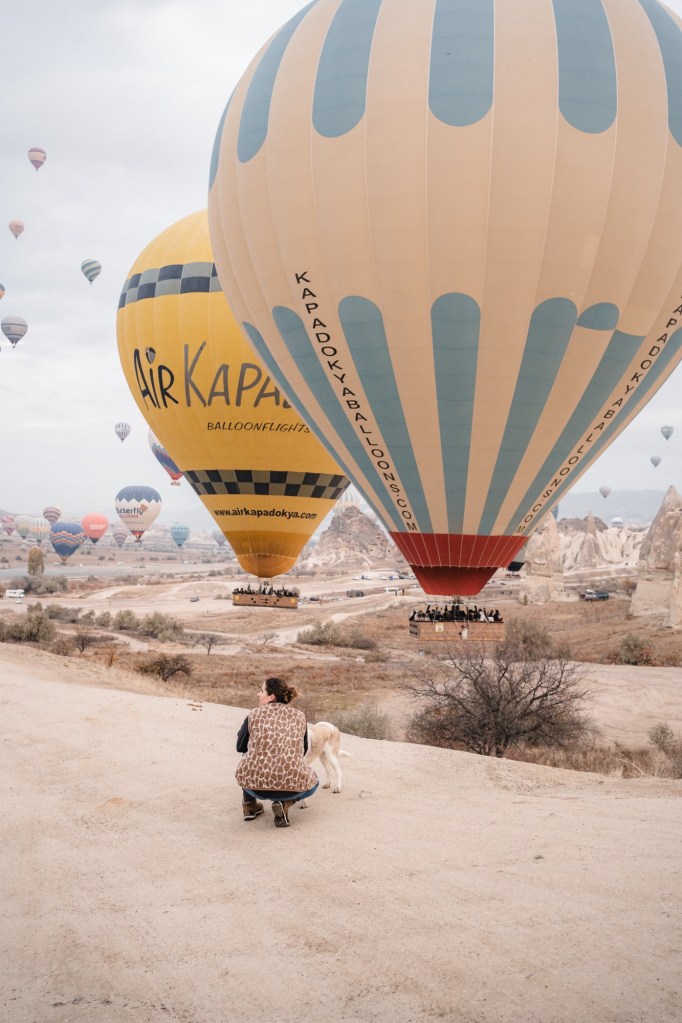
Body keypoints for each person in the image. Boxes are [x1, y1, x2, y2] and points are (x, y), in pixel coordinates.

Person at [235, 677, 319, 828]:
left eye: (261, 691)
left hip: (255, 785)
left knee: (246, 756)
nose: (258, 694)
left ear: (271, 697)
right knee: (315, 781)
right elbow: (303, 750)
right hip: (291, 785)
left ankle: (249, 804)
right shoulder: (300, 716)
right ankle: (285, 802)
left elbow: (240, 747)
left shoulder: (253, 715)